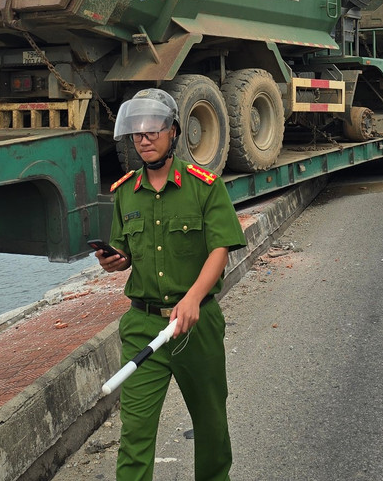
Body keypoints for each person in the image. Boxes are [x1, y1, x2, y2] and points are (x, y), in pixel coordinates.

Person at [95, 88, 248, 481]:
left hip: (196, 325)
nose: (144, 137)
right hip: (144, 327)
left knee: (211, 426)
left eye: (153, 128)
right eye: (136, 131)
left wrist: (194, 298)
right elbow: (126, 254)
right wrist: (116, 261)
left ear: (173, 131)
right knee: (135, 434)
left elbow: (221, 248)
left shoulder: (204, 186)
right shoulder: (125, 192)